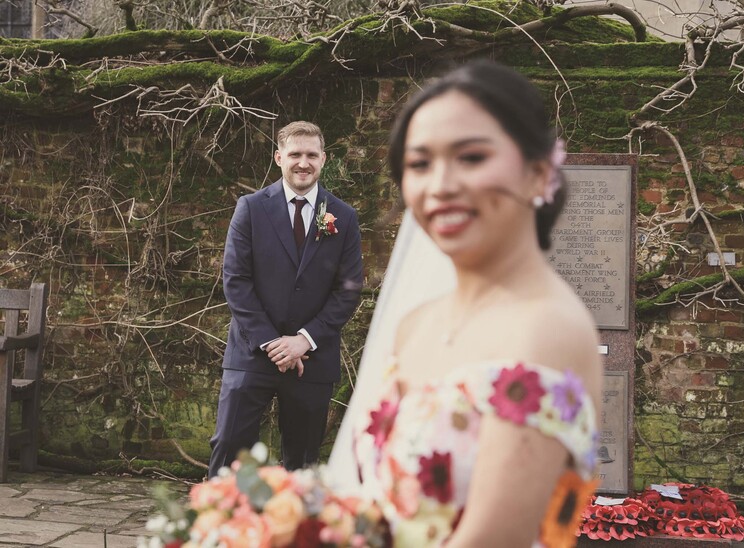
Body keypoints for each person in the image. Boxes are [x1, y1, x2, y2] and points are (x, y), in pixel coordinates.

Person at [332, 60, 604, 547]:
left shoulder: (546, 327)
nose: (440, 186)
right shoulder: (414, 325)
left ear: (538, 173)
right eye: (419, 164)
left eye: (472, 157)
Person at [209, 121, 364, 477]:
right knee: (228, 449)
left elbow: (348, 290)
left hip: (312, 358)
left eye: (312, 155)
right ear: (279, 158)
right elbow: (236, 280)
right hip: (251, 353)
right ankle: (219, 530)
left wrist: (302, 341)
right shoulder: (249, 208)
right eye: (295, 154)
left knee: (302, 464)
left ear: (323, 159)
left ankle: (290, 532)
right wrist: (271, 342)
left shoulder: (343, 217)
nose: (303, 162)